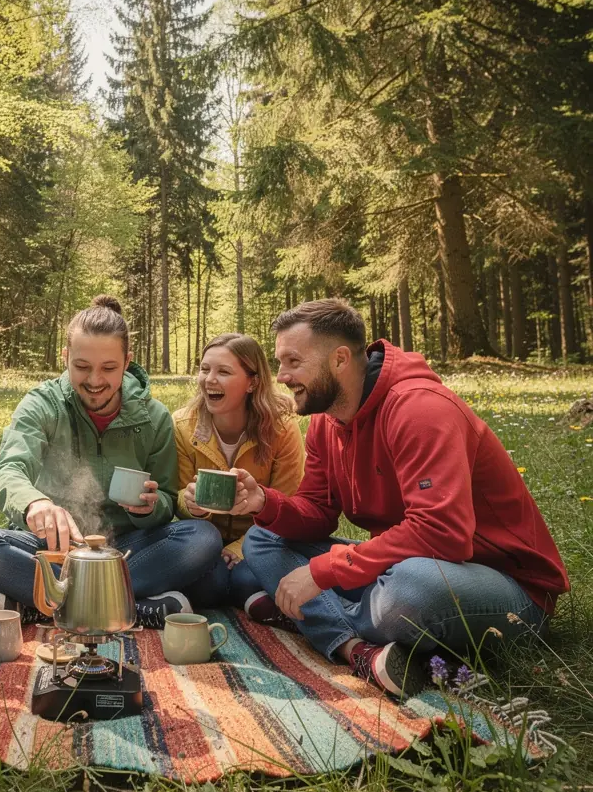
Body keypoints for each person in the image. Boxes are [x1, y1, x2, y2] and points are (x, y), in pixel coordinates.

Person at [242, 299, 570, 700]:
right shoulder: (327, 424)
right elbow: (317, 513)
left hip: (505, 587)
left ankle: (313, 619)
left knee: (409, 591)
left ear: (340, 359)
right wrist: (263, 503)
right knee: (262, 539)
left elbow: (444, 534)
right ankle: (357, 648)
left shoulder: (420, 409)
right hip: (409, 562)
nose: (282, 375)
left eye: (292, 361)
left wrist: (323, 573)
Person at [0, 295, 221, 627]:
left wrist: (149, 508)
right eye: (82, 367)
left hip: (122, 550)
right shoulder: (42, 405)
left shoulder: (154, 418)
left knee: (202, 538)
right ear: (65, 357)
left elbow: (168, 499)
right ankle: (124, 606)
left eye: (108, 368)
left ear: (127, 362)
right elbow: (9, 468)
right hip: (52, 545)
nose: (95, 381)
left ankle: (48, 600)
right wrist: (34, 503)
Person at [175, 334, 305, 614]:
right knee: (211, 574)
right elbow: (177, 500)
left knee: (242, 575)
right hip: (204, 541)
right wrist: (191, 505)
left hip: (260, 541)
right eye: (204, 369)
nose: (209, 379)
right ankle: (253, 599)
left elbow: (287, 502)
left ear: (253, 382)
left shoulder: (281, 428)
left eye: (223, 372)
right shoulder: (183, 426)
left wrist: (238, 548)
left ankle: (245, 591)